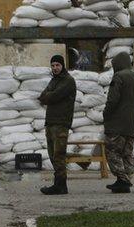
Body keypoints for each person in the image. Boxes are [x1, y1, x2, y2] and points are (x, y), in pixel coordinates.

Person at [103, 52, 134, 193]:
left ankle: (121, 179)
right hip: (130, 124)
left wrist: (106, 115)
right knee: (127, 153)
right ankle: (126, 179)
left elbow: (112, 100)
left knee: (113, 151)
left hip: (116, 124)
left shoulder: (118, 77)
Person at [38, 55, 77, 195]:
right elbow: (42, 96)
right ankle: (58, 183)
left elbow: (52, 96)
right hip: (50, 122)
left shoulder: (68, 81)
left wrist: (49, 96)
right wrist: (48, 96)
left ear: (62, 66)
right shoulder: (54, 80)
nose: (55, 68)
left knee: (59, 154)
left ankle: (61, 185)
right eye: (53, 65)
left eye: (57, 65)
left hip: (61, 122)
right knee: (52, 154)